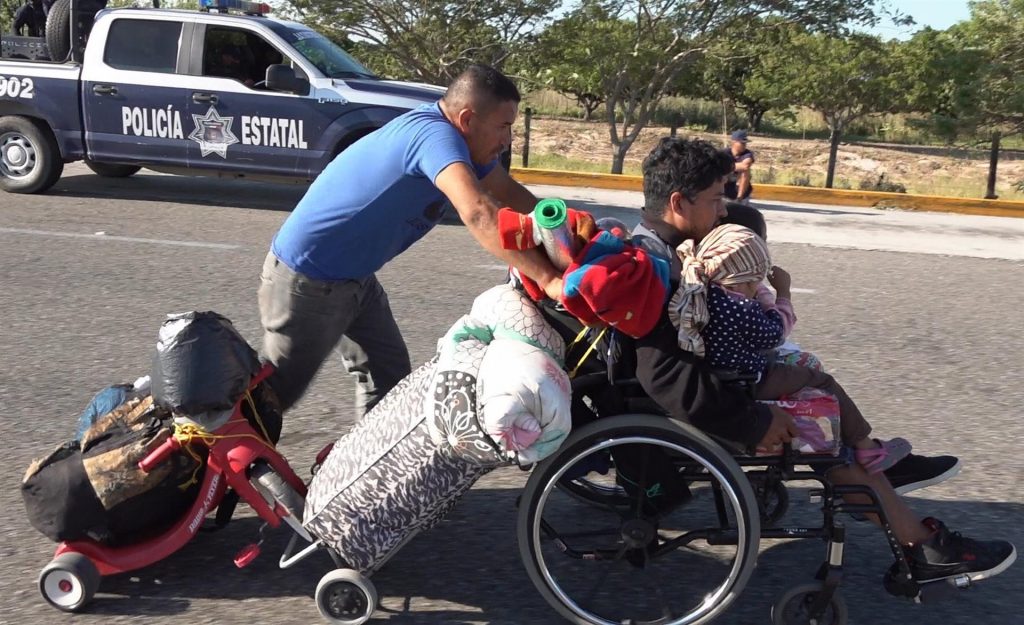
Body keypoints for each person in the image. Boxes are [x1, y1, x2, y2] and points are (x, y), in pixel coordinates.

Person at [628, 136, 1015, 585]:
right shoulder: (658, 267)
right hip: (712, 404)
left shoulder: (663, 250)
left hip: (720, 387)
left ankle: (883, 478)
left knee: (819, 400)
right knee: (823, 424)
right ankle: (923, 545)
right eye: (717, 200)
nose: (724, 212)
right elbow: (663, 376)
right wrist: (754, 421)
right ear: (678, 202)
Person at [259, 64, 563, 416]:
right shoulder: (436, 138)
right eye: (503, 127)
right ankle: (197, 461)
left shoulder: (463, 143)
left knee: (390, 382)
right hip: (308, 281)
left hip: (354, 278)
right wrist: (548, 278)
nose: (508, 140)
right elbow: (479, 211)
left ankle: (362, 467)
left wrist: (567, 227)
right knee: (270, 401)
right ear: (467, 120)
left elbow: (508, 192)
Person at [669, 223, 911, 473]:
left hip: (722, 375)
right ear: (739, 282)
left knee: (802, 369)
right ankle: (867, 446)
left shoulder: (703, 293)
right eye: (754, 282)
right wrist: (779, 294)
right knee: (821, 381)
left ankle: (819, 436)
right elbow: (776, 334)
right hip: (748, 379)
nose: (755, 289)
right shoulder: (738, 307)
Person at [724, 130, 754, 204]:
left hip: (739, 190)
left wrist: (725, 166)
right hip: (725, 188)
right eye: (742, 143)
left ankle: (739, 198)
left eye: (745, 143)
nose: (744, 145)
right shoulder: (724, 153)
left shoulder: (747, 153)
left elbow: (745, 166)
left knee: (745, 172)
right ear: (734, 142)